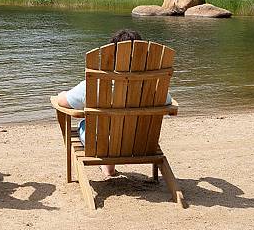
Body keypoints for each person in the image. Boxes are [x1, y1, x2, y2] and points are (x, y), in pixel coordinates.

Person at [56, 29, 172, 177]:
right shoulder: (153, 85)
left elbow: (64, 102)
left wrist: (61, 94)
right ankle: (108, 169)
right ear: (143, 55)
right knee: (117, 125)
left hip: (102, 146)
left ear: (112, 55)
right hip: (141, 143)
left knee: (88, 125)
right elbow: (168, 102)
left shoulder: (95, 84)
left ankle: (107, 167)